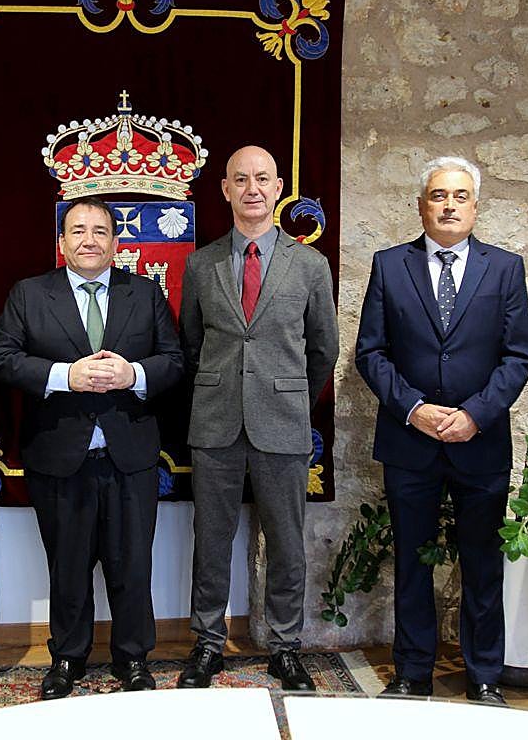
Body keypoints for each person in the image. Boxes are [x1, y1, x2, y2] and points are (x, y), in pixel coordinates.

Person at [354, 156, 528, 705]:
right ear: (421, 206)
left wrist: (475, 415)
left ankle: (484, 675)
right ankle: (412, 672)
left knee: (482, 562)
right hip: (411, 440)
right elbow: (371, 352)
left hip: (480, 442)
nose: (449, 205)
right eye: (438, 196)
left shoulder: (505, 268)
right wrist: (415, 409)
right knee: (412, 561)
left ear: (476, 206)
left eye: (460, 196)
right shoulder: (390, 265)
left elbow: (518, 355)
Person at [0, 197, 183, 699]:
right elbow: (2, 359)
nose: (89, 240)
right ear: (62, 242)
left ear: (116, 243)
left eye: (100, 231)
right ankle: (67, 658)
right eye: (78, 231)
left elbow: (175, 361)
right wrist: (64, 375)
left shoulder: (145, 293)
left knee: (132, 565)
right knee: (67, 566)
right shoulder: (30, 294)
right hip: (59, 457)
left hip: (130, 457)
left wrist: (133, 374)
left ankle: (133, 657)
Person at [177, 145, 339, 691]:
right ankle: (207, 643)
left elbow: (323, 348)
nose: (252, 188)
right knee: (211, 539)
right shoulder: (201, 264)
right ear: (225, 189)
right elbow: (191, 343)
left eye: (262, 179)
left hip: (283, 422)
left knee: (286, 542)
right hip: (215, 422)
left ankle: (285, 646)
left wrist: (290, 397)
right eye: (241, 179)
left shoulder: (310, 265)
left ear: (278, 188)